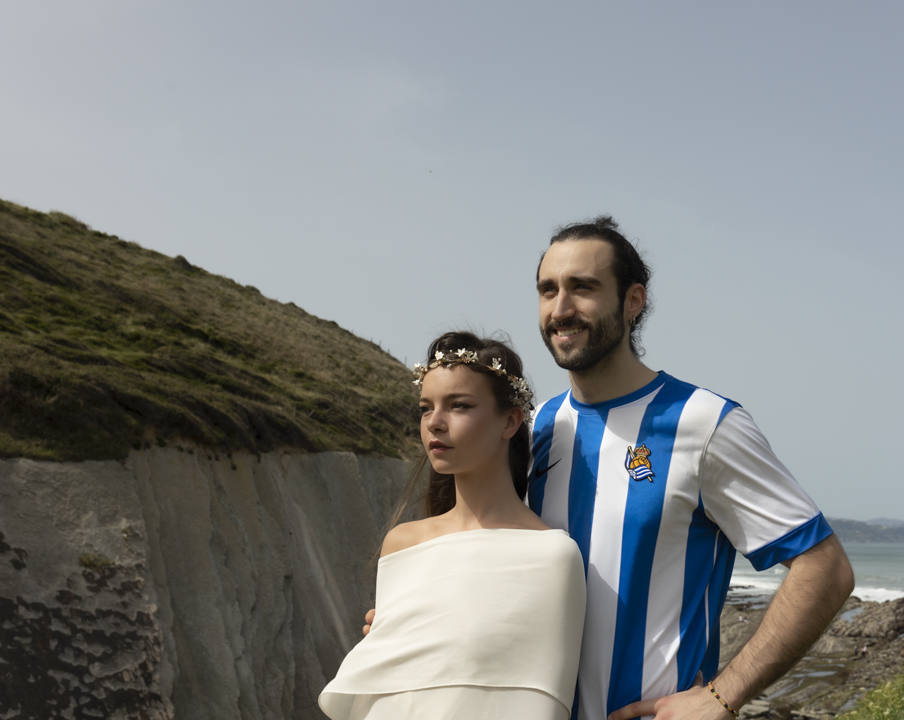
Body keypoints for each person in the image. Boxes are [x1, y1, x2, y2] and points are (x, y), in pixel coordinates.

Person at [530, 217, 855, 720]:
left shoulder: (704, 424)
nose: (561, 308)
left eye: (583, 288)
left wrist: (723, 695)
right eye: (547, 290)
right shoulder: (535, 428)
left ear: (633, 301)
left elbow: (825, 568)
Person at [320, 331, 586, 720]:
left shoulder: (552, 556)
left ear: (510, 421)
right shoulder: (403, 544)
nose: (435, 424)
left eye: (459, 406)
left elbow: (540, 702)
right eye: (426, 408)